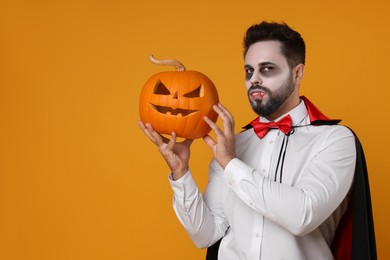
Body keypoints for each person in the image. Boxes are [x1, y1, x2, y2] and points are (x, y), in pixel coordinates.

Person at [138, 21, 376, 260]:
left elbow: (303, 216)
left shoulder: (335, 140)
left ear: (298, 72)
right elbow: (205, 235)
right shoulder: (234, 145)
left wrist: (231, 165)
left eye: (268, 69)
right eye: (249, 71)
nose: (254, 80)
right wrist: (181, 173)